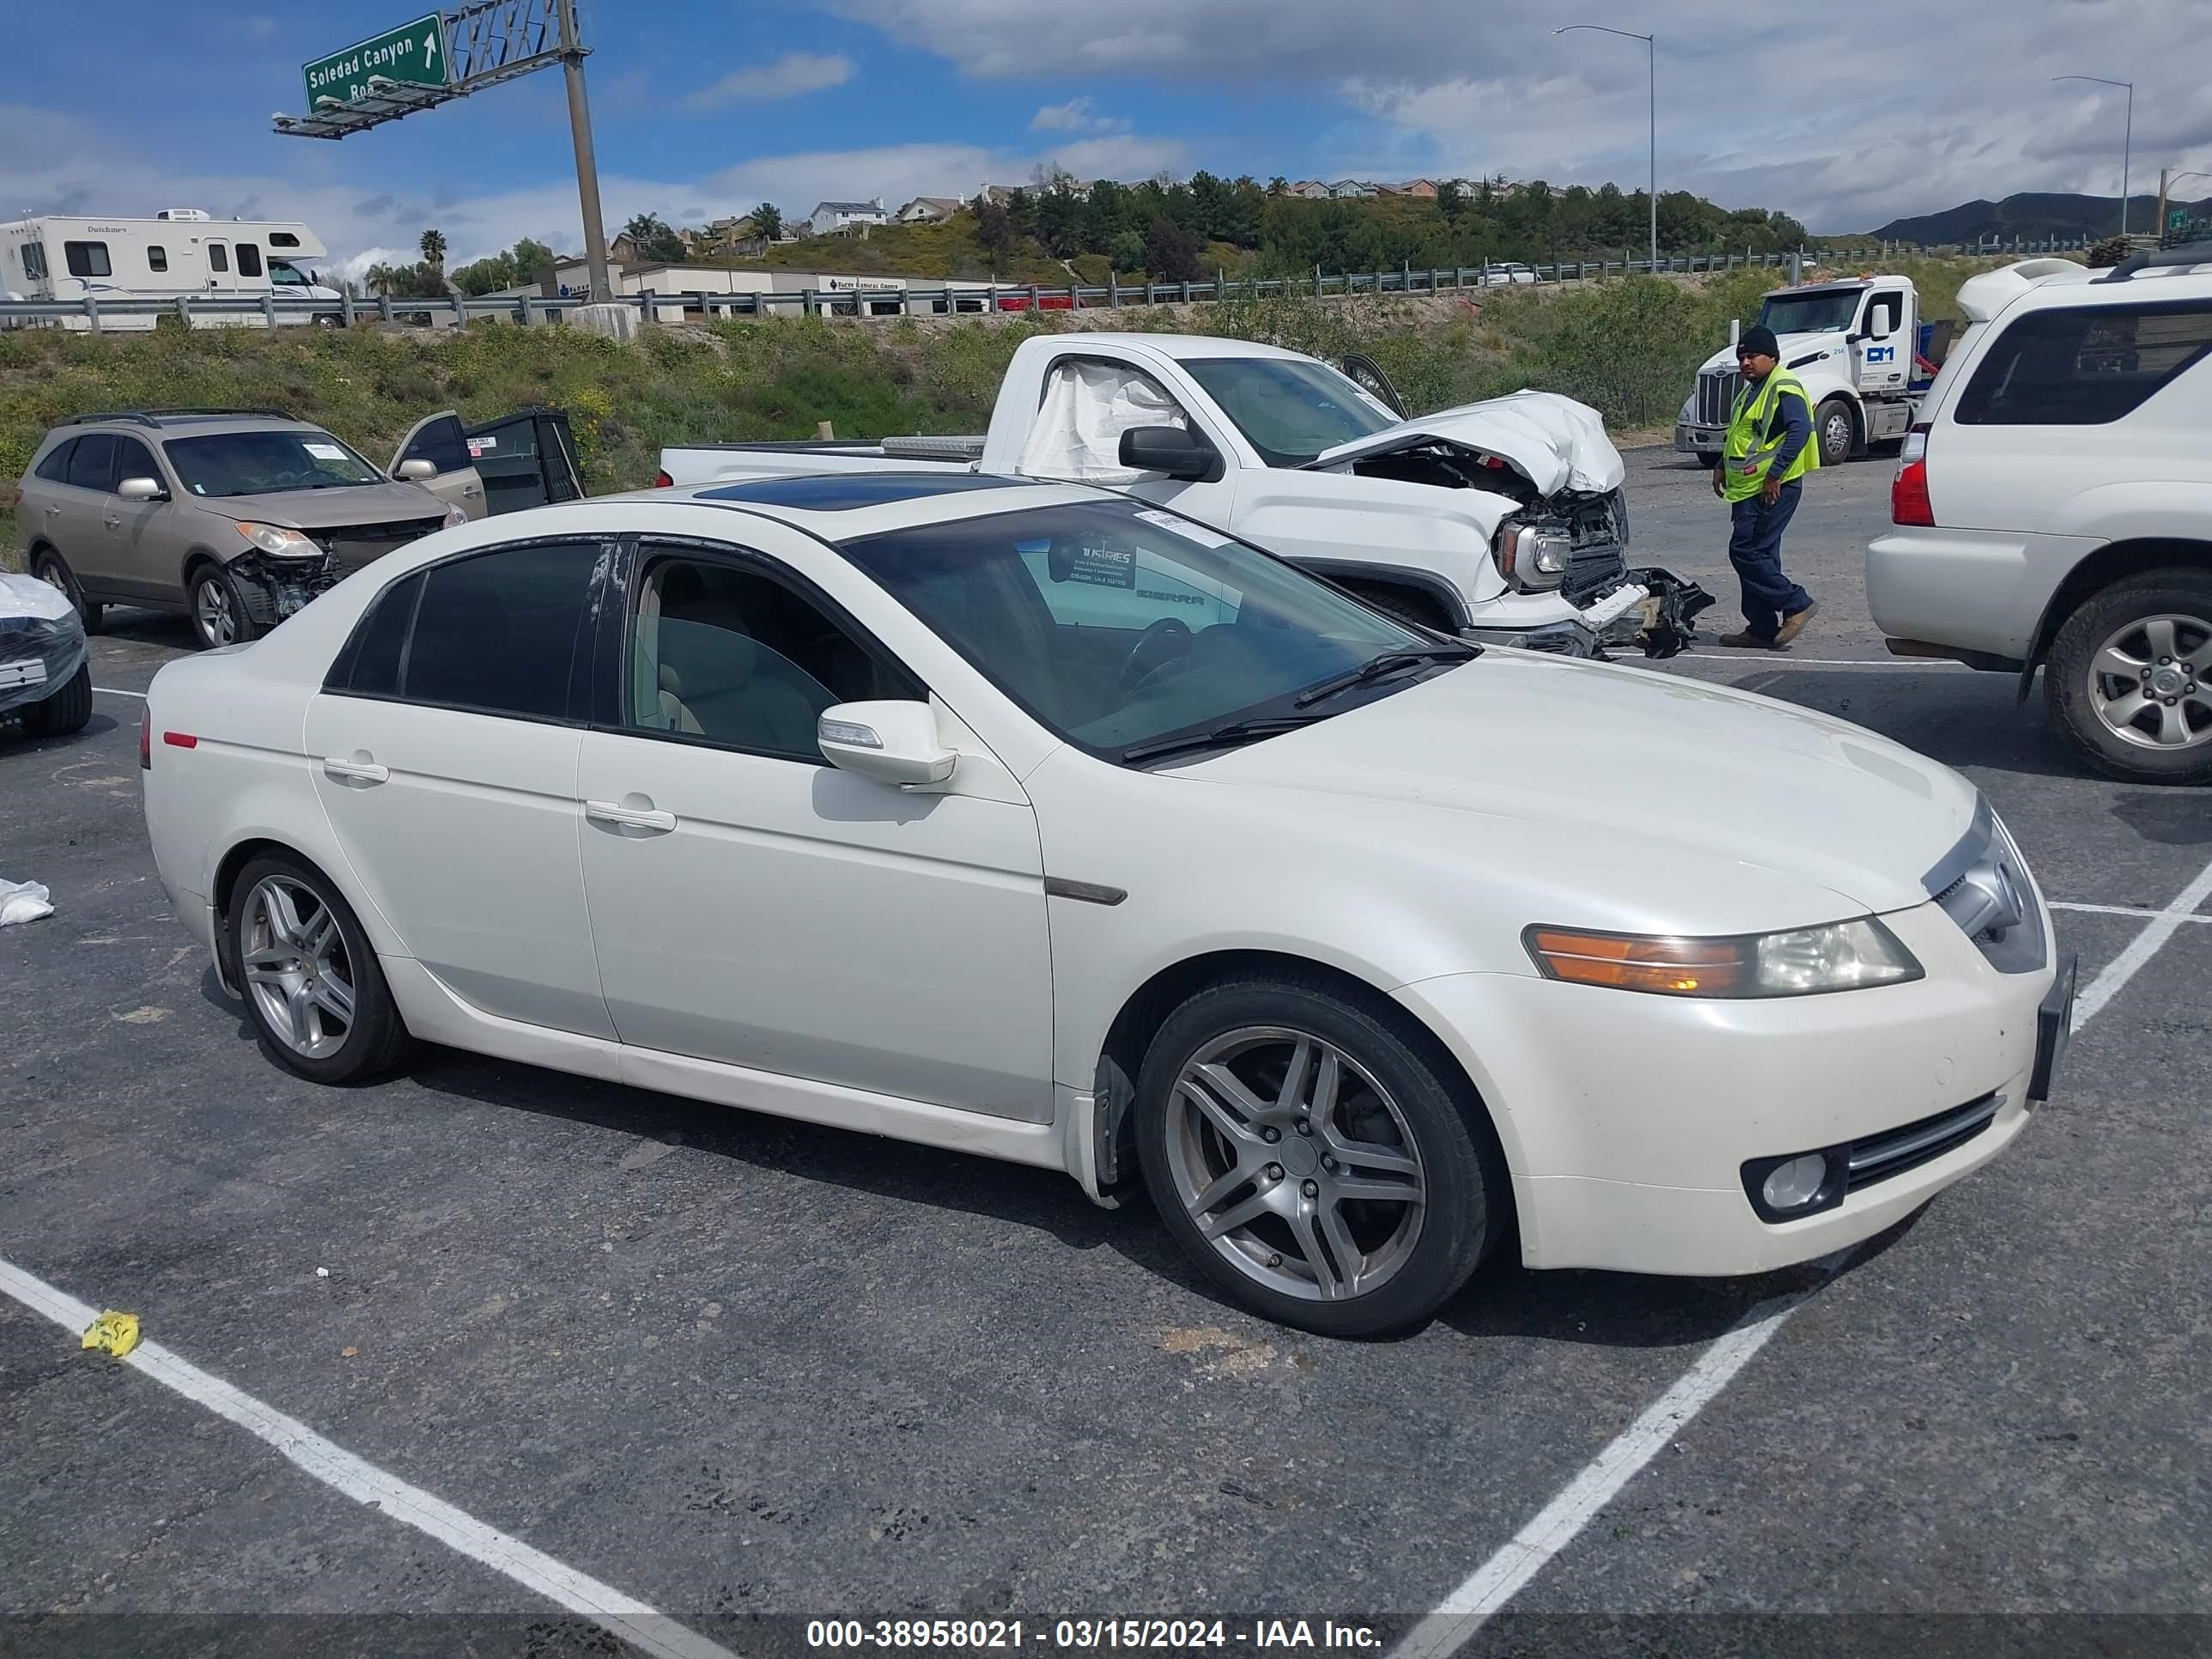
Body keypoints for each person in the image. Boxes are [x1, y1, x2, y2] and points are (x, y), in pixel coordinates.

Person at [1712, 325, 1820, 648]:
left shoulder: (1783, 385)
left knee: (1745, 551)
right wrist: (1720, 465)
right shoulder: (1751, 390)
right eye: (1742, 357)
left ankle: (1796, 602)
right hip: (1749, 486)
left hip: (1774, 486)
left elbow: (1799, 431)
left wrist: (1775, 474)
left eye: (1753, 356)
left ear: (1772, 356)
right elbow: (1741, 435)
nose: (1746, 362)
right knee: (1762, 555)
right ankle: (1761, 628)